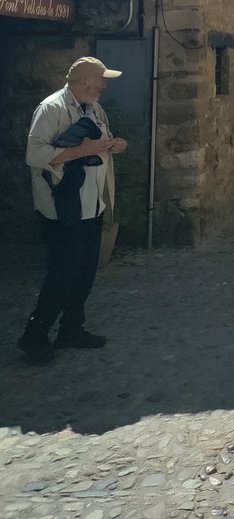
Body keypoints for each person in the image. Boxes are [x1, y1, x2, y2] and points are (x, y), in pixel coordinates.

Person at [19, 57, 128, 363]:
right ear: (84, 82)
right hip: (63, 206)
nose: (105, 85)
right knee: (62, 274)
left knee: (83, 272)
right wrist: (85, 150)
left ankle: (71, 330)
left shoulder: (93, 107)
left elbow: (100, 142)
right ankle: (34, 336)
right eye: (101, 80)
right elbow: (35, 153)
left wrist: (114, 145)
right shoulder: (51, 108)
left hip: (91, 202)